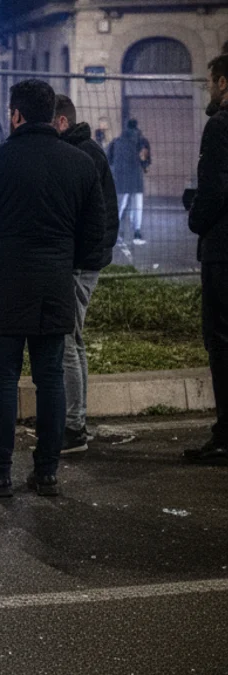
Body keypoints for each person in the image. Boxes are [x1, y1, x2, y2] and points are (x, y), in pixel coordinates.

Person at [0, 79, 105, 499]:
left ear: (16, 115)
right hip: (55, 284)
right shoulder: (79, 164)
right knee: (51, 378)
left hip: (4, 282)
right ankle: (46, 472)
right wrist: (65, 263)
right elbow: (94, 234)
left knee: (3, 380)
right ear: (51, 115)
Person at [52, 94, 121, 455]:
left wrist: (76, 258)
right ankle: (74, 422)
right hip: (85, 260)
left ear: (61, 122)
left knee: (67, 340)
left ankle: (74, 427)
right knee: (72, 340)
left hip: (81, 263)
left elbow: (92, 218)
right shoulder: (85, 151)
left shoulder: (83, 155)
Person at [184, 54, 228, 465]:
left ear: (224, 84)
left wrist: (195, 216)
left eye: (211, 82)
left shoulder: (220, 127)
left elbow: (215, 191)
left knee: (220, 341)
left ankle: (224, 435)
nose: (209, 89)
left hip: (223, 252)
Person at [108, 119, 151, 245]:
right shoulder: (142, 141)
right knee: (137, 207)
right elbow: (145, 160)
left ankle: (116, 234)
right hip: (136, 178)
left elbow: (109, 160)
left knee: (119, 207)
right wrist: (144, 165)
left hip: (120, 179)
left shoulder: (116, 141)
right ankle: (136, 233)